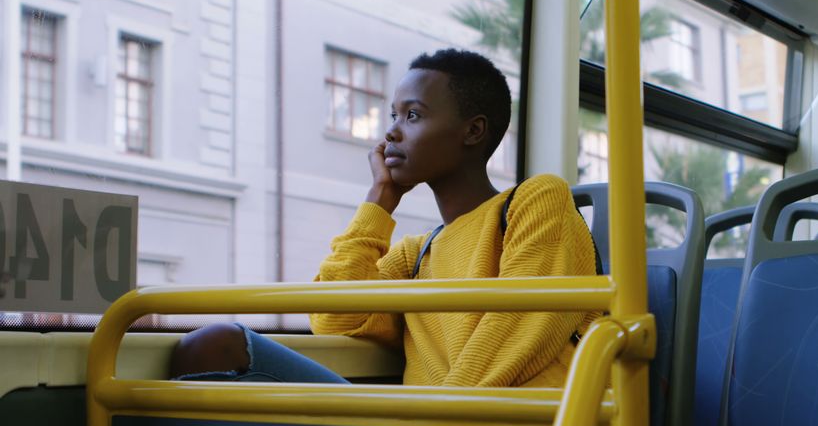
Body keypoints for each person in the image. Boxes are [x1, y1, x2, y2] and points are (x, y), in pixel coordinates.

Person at [170, 48, 601, 388]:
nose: (391, 131)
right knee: (215, 345)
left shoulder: (536, 200)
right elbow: (334, 317)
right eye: (393, 115)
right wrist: (379, 202)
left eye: (412, 115)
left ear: (473, 131)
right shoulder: (418, 256)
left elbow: (519, 338)